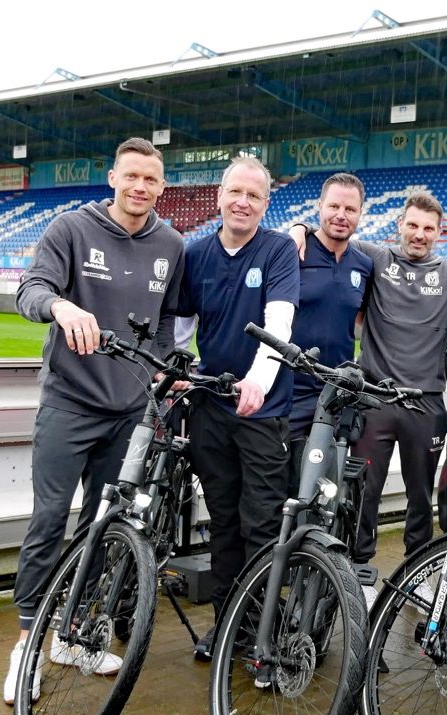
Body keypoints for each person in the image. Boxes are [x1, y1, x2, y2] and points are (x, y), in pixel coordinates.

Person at [4, 137, 185, 703]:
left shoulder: (171, 244)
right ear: (112, 178)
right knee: (49, 520)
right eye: (130, 176)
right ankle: (27, 643)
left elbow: (165, 324)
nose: (139, 187)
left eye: (150, 180)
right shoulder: (70, 229)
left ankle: (73, 634)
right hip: (69, 403)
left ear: (161, 187)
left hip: (129, 412)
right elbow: (30, 290)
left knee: (101, 530)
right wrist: (61, 306)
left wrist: (160, 371)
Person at [287, 196, 447, 574]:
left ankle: (417, 568)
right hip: (375, 400)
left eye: (428, 228)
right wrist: (299, 229)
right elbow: (333, 236)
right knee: (364, 491)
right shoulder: (374, 257)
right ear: (400, 224)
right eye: (413, 225)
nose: (419, 235)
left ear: (439, 233)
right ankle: (359, 567)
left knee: (420, 496)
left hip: (426, 404)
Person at [179, 155, 300, 660]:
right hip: (210, 407)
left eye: (254, 195)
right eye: (236, 192)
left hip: (262, 412)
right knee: (223, 522)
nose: (243, 202)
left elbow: (280, 322)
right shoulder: (197, 254)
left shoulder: (277, 251)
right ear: (221, 195)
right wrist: (175, 372)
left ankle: (261, 630)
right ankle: (227, 625)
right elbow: (183, 324)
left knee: (262, 524)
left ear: (265, 203)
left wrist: (258, 381)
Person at [286, 173, 372, 485]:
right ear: (319, 206)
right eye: (333, 206)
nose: (341, 215)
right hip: (289, 392)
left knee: (327, 491)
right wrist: (298, 228)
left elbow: (362, 318)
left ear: (361, 213)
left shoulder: (364, 264)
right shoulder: (293, 250)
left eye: (350, 209)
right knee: (287, 488)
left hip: (335, 394)